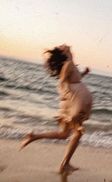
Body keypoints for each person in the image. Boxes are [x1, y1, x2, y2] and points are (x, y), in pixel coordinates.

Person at [20, 44, 92, 174]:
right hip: (75, 103)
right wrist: (70, 99)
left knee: (64, 134)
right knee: (77, 133)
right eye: (62, 46)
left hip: (72, 102)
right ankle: (65, 164)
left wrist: (84, 73)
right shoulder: (68, 64)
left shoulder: (70, 64)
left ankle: (35, 136)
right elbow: (62, 82)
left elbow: (73, 79)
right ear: (63, 52)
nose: (65, 44)